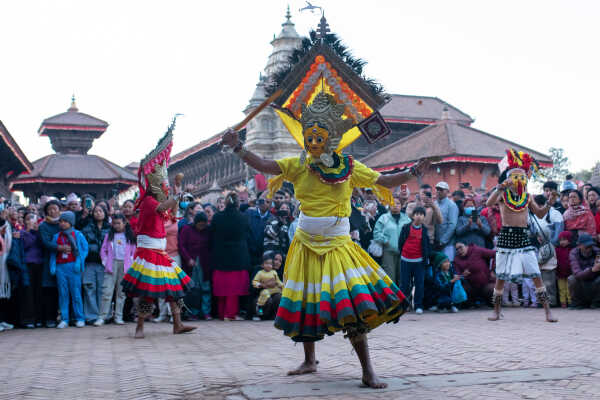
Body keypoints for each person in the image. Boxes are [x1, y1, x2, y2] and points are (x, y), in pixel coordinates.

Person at [221, 91, 429, 388]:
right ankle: (309, 360)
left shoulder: (349, 168)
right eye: (309, 136)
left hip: (338, 246)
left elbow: (383, 182)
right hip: (305, 244)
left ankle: (367, 370)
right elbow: (266, 165)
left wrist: (411, 173)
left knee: (352, 306)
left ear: (331, 139)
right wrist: (239, 147)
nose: (313, 142)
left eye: (319, 137)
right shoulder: (297, 164)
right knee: (307, 303)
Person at [121, 125, 196, 338]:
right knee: (148, 292)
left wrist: (177, 189)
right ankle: (140, 327)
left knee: (175, 291)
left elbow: (172, 213)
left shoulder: (156, 199)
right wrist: (177, 195)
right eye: (162, 184)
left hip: (161, 252)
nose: (164, 187)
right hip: (149, 252)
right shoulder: (147, 201)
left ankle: (177, 324)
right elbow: (165, 208)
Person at [487, 149, 559, 322]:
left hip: (523, 238)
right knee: (501, 276)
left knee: (535, 273)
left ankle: (548, 311)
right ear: (509, 179)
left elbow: (540, 214)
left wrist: (549, 203)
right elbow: (489, 202)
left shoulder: (527, 197)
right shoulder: (503, 195)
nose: (518, 180)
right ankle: (496, 311)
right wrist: (500, 187)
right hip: (506, 237)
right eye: (515, 177)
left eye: (522, 177)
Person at [210, 192, 251, 321]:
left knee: (222, 286)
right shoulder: (244, 218)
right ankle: (231, 314)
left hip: (221, 255)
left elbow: (212, 235)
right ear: (238, 203)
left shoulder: (217, 217)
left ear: (226, 203)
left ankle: (222, 314)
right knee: (234, 288)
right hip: (238, 256)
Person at [49, 211, 88, 329]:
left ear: (71, 222)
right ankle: (64, 318)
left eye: (65, 221)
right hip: (61, 267)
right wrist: (53, 265)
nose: (62, 223)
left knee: (76, 293)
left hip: (73, 267)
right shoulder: (57, 236)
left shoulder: (78, 235)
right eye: (61, 221)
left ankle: (80, 318)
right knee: (63, 293)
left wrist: (79, 262)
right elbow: (53, 252)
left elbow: (84, 249)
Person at [98, 214, 136, 325]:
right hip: (111, 265)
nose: (116, 225)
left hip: (125, 267)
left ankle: (118, 317)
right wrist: (105, 262)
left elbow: (134, 252)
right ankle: (102, 316)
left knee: (121, 293)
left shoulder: (129, 236)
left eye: (119, 223)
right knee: (107, 291)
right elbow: (103, 250)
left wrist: (131, 264)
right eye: (114, 223)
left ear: (124, 223)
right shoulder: (109, 236)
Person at [178, 212, 212, 320]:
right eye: (200, 225)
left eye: (204, 225)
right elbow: (181, 245)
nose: (202, 227)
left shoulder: (208, 230)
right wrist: (188, 258)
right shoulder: (186, 229)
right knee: (193, 289)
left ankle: (206, 312)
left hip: (205, 263)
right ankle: (193, 312)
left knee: (206, 288)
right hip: (191, 264)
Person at [398, 207, 431, 314]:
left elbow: (426, 246)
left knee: (419, 284)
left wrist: (426, 259)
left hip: (419, 262)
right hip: (406, 260)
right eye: (416, 214)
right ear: (412, 216)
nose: (419, 216)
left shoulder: (425, 230)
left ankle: (418, 305)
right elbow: (401, 242)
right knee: (404, 284)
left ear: (424, 217)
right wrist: (402, 253)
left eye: (421, 214)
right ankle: (405, 305)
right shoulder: (406, 228)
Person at [81, 204, 110, 325]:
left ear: (105, 213)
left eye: (100, 211)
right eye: (96, 211)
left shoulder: (110, 229)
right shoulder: (86, 228)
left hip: (105, 263)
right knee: (89, 288)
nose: (98, 213)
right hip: (89, 261)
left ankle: (104, 315)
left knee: (103, 289)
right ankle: (91, 316)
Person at [373, 195, 411, 288]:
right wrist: (385, 240)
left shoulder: (406, 219)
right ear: (389, 205)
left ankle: (404, 301)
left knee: (403, 278)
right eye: (392, 203)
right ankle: (392, 301)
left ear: (401, 206)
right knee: (390, 278)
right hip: (388, 252)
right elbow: (376, 233)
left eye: (398, 203)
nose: (395, 205)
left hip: (404, 253)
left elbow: (412, 233)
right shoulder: (383, 218)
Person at [38, 200, 62, 328]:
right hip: (48, 260)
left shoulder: (63, 224)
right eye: (50, 209)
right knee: (49, 290)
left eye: (55, 208)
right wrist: (60, 248)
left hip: (64, 261)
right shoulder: (43, 226)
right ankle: (49, 318)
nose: (52, 211)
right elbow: (46, 243)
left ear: (60, 210)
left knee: (62, 290)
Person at [19, 213, 44, 328]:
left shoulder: (39, 232)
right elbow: (26, 245)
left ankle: (39, 318)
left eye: (33, 219)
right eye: (28, 219)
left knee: (39, 291)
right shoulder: (21, 233)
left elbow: (43, 245)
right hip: (27, 264)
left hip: (40, 264)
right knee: (28, 292)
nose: (31, 221)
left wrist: (37, 232)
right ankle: (29, 319)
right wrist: (29, 231)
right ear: (24, 221)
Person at [453, 242, 496, 307]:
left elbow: (496, 254)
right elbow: (457, 274)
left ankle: (490, 302)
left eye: (460, 247)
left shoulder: (477, 250)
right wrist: (462, 275)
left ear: (466, 246)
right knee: (462, 288)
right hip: (471, 286)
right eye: (457, 249)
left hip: (486, 283)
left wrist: (493, 270)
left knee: (492, 289)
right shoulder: (456, 259)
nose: (459, 250)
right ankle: (470, 303)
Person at [567, 233, 600, 309]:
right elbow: (577, 274)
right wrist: (592, 270)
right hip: (581, 279)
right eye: (587, 246)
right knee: (571, 279)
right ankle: (577, 303)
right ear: (579, 245)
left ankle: (597, 303)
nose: (589, 249)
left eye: (591, 246)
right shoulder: (573, 253)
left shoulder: (598, 251)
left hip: (595, 278)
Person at [252, 252, 283, 318]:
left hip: (273, 294)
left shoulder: (278, 273)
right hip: (260, 296)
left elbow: (280, 284)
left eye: (280, 261)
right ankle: (262, 316)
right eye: (275, 259)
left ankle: (275, 317)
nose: (277, 262)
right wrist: (264, 285)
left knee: (279, 297)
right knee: (267, 299)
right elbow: (252, 288)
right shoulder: (259, 271)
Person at [434, 182, 459, 261]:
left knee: (447, 267)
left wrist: (442, 241)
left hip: (447, 244)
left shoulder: (452, 205)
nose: (438, 191)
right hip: (435, 242)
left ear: (447, 192)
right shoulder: (434, 204)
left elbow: (452, 225)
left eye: (441, 190)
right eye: (437, 189)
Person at [246, 196, 271, 266]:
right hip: (249, 253)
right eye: (262, 201)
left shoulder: (272, 218)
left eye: (268, 202)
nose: (264, 204)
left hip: (263, 256)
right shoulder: (249, 214)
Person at [555, 231, 573, 308]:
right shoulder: (557, 249)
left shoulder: (572, 249)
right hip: (560, 272)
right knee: (561, 288)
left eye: (564, 239)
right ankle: (563, 302)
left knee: (569, 288)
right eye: (560, 240)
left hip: (569, 272)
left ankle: (570, 301)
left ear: (569, 240)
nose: (562, 242)